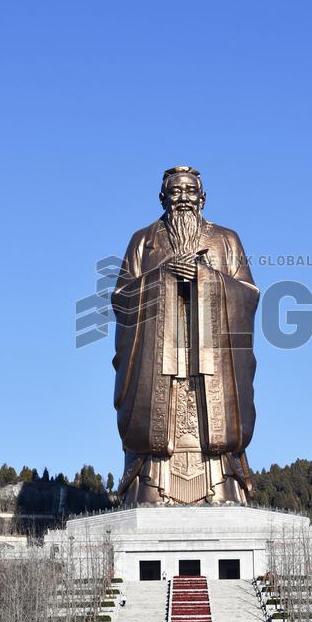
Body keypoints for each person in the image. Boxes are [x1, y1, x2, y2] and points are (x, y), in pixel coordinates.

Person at [112, 165, 259, 506]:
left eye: (190, 191)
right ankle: (150, 486)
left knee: (214, 425)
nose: (183, 198)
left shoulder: (226, 240)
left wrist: (207, 278)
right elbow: (121, 298)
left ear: (203, 198)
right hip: (159, 364)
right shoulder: (143, 241)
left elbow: (248, 294)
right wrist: (160, 277)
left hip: (211, 365)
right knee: (158, 424)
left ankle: (222, 485)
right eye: (175, 191)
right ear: (162, 197)